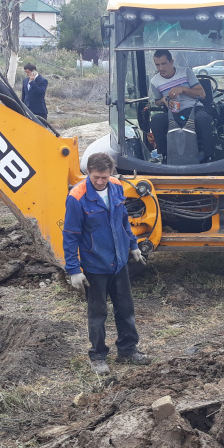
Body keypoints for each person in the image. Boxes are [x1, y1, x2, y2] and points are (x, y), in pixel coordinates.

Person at [63, 153, 150, 374]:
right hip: (95, 265)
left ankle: (128, 350)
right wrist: (74, 269)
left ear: (110, 172)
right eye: (95, 177)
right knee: (98, 313)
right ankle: (98, 356)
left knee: (125, 309)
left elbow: (123, 221)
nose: (100, 181)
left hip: (119, 261)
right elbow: (71, 234)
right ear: (88, 173)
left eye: (104, 176)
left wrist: (133, 245)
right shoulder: (77, 197)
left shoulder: (116, 187)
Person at [149, 49, 215, 162]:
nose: (161, 68)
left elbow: (202, 94)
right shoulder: (155, 81)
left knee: (203, 118)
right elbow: (157, 101)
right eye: (157, 65)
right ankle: (164, 155)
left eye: (164, 64)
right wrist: (163, 100)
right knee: (156, 119)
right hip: (173, 113)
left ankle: (209, 156)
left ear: (171, 62)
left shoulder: (186, 72)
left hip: (193, 109)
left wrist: (183, 89)